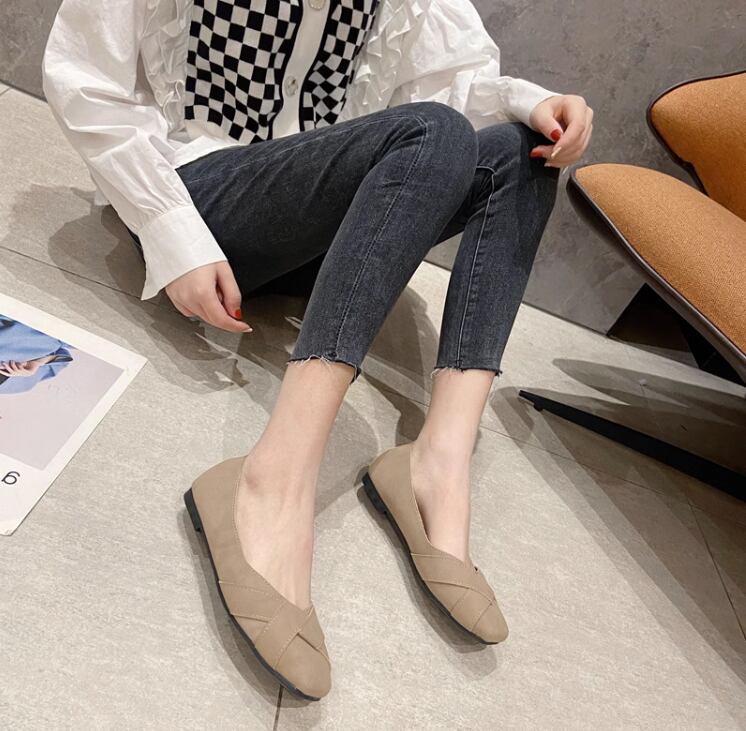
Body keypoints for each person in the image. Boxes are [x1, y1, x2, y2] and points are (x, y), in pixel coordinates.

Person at [42, 0, 593, 700]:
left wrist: (531, 101)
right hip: (206, 196)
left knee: (522, 150)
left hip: (325, 222)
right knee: (433, 131)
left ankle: (437, 461)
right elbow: (86, 79)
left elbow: (452, 74)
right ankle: (272, 479)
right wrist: (167, 228)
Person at [0, 317, 74, 395]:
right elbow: (62, 359)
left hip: (35, 315)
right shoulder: (16, 386)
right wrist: (37, 362)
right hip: (68, 333)